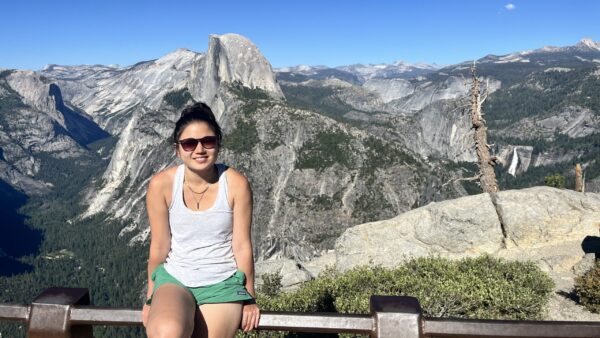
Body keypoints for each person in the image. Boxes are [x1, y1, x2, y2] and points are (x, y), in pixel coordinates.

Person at [142, 102, 260, 338]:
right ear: (178, 150)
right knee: (167, 332)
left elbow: (242, 246)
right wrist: (150, 297)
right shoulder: (161, 185)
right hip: (175, 278)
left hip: (223, 283)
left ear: (218, 143)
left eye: (208, 141)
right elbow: (159, 246)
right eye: (189, 143)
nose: (199, 149)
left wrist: (249, 297)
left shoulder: (236, 184)